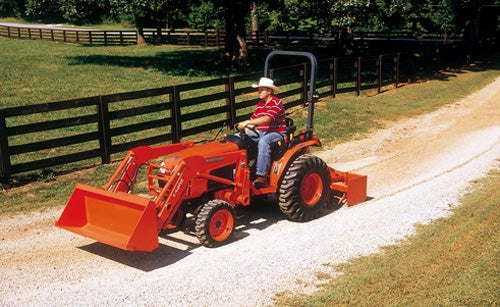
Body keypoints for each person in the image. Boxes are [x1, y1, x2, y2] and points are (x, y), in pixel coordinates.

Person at [237, 77, 287, 188]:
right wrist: (244, 128)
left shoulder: (276, 102)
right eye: (258, 90)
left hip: (277, 133)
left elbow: (267, 119)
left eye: (261, 90)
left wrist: (247, 122)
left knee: (264, 142)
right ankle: (238, 171)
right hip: (261, 132)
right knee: (238, 138)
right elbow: (254, 120)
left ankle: (261, 177)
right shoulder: (260, 104)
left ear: (269, 91)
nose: (258, 92)